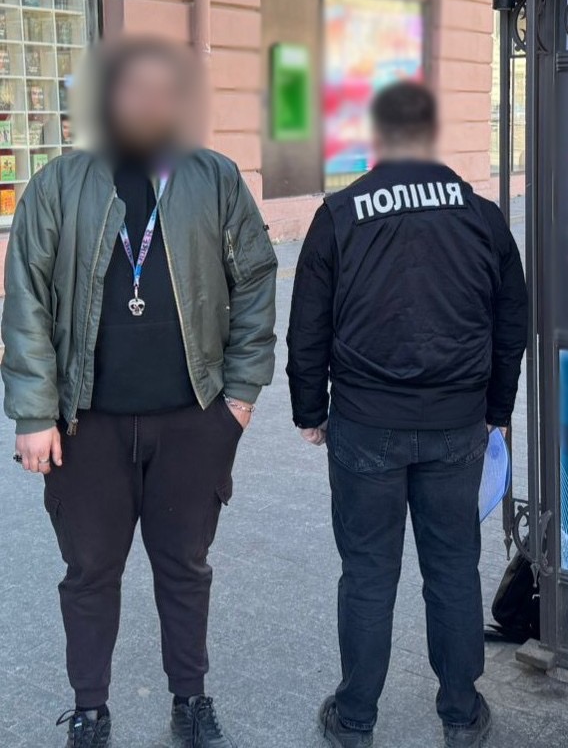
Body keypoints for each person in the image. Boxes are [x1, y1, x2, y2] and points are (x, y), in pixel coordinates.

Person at [2, 37, 278, 747]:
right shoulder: (58, 184)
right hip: (85, 425)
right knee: (90, 572)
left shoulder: (214, 177)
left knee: (185, 568)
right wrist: (33, 412)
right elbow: (25, 299)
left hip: (194, 420)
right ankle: (89, 708)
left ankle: (190, 698)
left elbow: (255, 277)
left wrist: (241, 394)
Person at [287, 81, 528, 748]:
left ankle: (354, 717)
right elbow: (513, 319)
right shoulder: (480, 216)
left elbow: (307, 325)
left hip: (365, 425)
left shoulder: (340, 213)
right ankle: (461, 713)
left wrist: (310, 409)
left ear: (377, 137)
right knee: (452, 568)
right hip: (456, 426)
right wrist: (497, 408)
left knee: (368, 572)